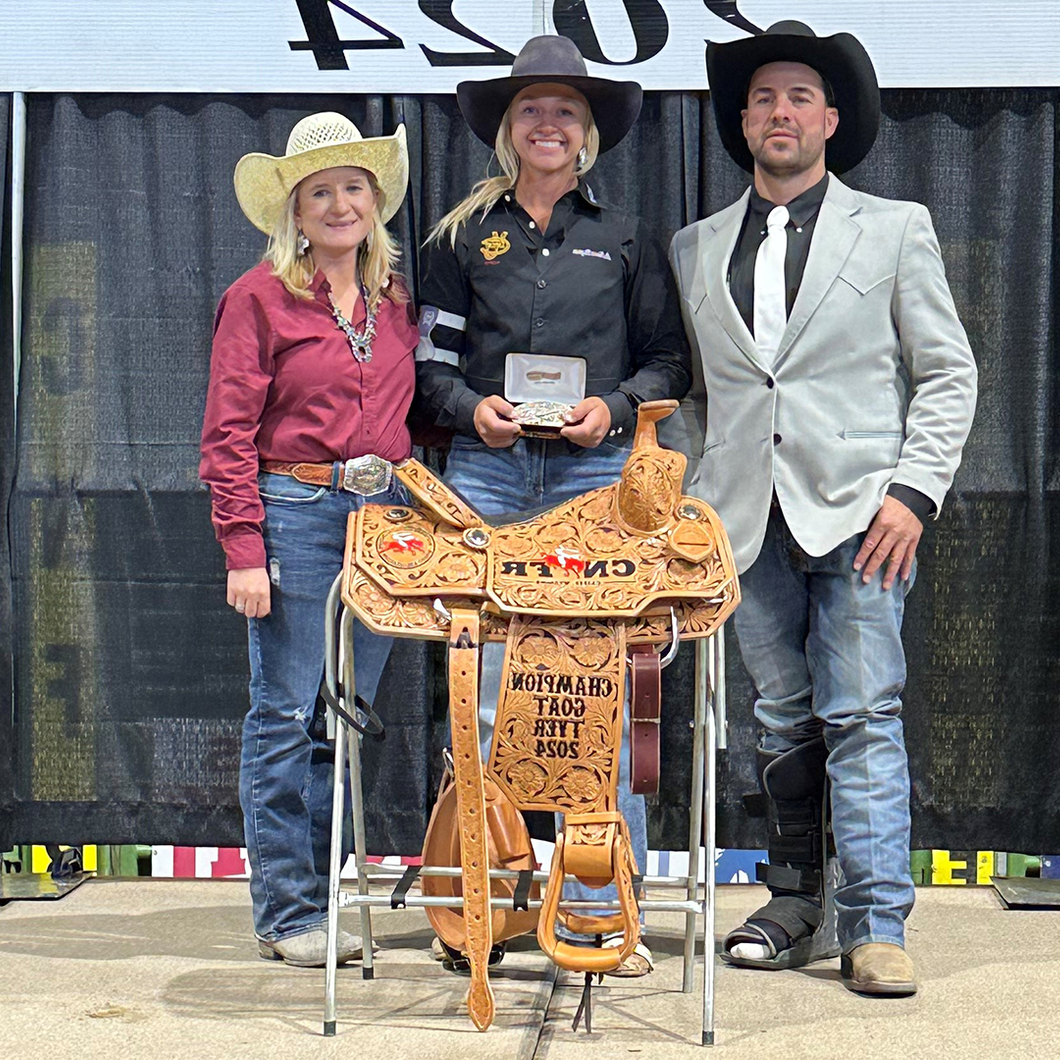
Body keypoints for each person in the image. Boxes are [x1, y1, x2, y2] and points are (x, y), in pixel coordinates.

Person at [670, 22, 978, 996]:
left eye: (800, 97)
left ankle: (876, 923)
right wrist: (688, 503)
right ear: (743, 121)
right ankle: (795, 903)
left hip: (861, 517)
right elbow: (690, 398)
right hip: (741, 525)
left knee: (863, 713)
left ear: (832, 120)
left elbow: (947, 373)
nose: (781, 112)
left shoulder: (894, 229)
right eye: (763, 98)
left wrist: (913, 492)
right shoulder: (694, 249)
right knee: (780, 719)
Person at [414, 34, 691, 977]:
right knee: (486, 700)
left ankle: (601, 908)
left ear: (587, 134)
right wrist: (469, 411)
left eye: (565, 111)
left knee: (596, 700)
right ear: (506, 127)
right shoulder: (460, 239)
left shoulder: (626, 237)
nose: (547, 123)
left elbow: (668, 364)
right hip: (486, 477)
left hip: (592, 482)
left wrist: (608, 408)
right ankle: (478, 909)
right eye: (531, 108)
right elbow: (430, 362)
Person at [200, 112, 416, 968]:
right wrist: (244, 550)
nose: (338, 204)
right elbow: (227, 435)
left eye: (352, 187)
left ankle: (320, 895)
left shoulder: (397, 301)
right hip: (294, 508)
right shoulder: (257, 299)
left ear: (374, 201)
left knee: (347, 721)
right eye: (319, 191)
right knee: (286, 715)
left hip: (389, 520)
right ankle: (287, 910)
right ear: (292, 209)